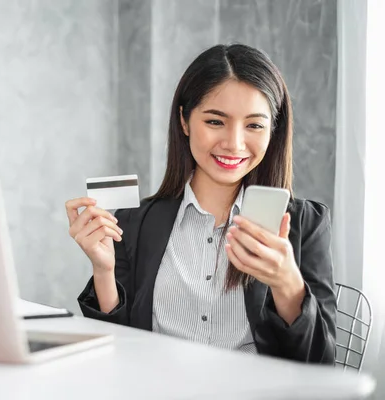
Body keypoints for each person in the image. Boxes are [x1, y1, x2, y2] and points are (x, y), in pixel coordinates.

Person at [64, 44, 336, 364]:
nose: (234, 143)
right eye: (215, 122)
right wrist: (103, 270)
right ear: (184, 121)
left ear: (273, 131)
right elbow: (114, 352)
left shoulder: (305, 224)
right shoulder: (135, 222)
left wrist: (287, 284)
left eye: (254, 125)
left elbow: (321, 363)